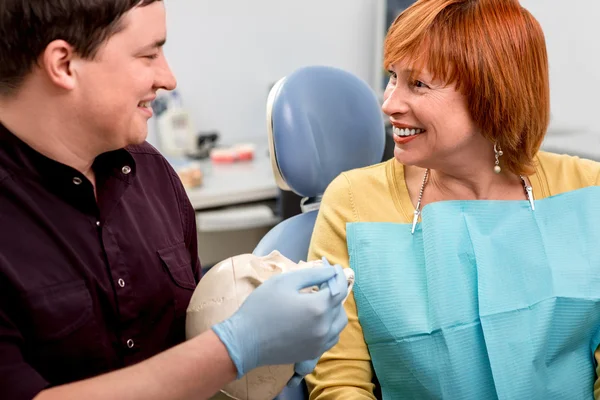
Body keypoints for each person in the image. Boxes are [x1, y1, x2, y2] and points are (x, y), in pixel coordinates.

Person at [0, 1, 348, 399]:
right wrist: (234, 348)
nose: (168, 78)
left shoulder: (152, 174)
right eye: (148, 55)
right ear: (63, 64)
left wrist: (269, 355)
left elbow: (188, 346)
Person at [306, 0, 600, 399]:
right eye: (392, 77)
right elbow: (339, 380)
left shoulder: (587, 190)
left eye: (418, 84)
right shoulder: (354, 202)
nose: (389, 103)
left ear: (493, 94)